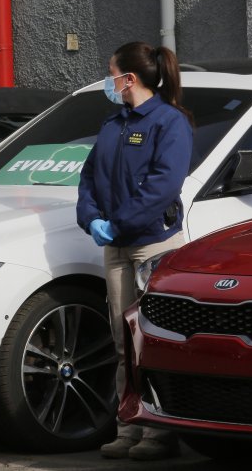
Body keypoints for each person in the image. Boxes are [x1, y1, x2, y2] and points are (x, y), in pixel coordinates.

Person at [76, 42, 193, 461]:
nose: (107, 79)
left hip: (152, 246)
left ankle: (160, 432)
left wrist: (119, 222)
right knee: (123, 342)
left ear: (129, 78)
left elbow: (163, 186)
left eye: (110, 72)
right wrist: (90, 218)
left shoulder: (169, 122)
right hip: (119, 248)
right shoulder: (113, 123)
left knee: (153, 343)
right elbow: (88, 177)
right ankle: (130, 426)